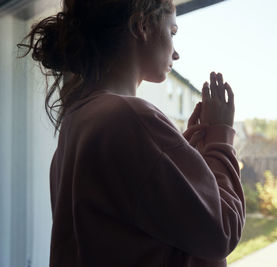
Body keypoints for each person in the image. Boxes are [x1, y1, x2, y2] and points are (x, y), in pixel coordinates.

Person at [18, 0, 245, 266]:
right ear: (142, 26)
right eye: (172, 32)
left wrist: (186, 161)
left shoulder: (77, 123)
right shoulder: (129, 118)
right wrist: (220, 138)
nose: (176, 53)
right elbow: (220, 232)